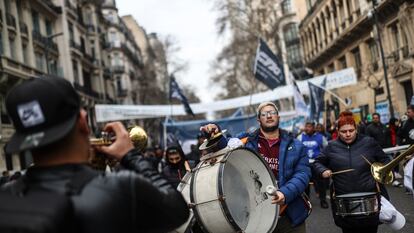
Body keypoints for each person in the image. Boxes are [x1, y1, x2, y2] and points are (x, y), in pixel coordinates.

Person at [0, 76, 189, 233]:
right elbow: (178, 210)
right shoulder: (120, 188)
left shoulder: (5, 198)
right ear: (83, 121)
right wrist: (131, 155)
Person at [201, 101, 311, 233]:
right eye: (264, 114)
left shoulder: (297, 146)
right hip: (256, 217)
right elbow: (224, 147)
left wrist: (284, 193)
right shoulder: (245, 141)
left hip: (289, 215)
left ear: (278, 117)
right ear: (258, 119)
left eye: (272, 113)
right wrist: (215, 132)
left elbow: (303, 174)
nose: (269, 116)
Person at [313, 111, 390, 233]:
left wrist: (382, 170)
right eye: (343, 132)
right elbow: (317, 163)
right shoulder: (331, 146)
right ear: (338, 131)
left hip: (369, 196)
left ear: (356, 129)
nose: (348, 134)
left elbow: (385, 160)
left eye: (351, 130)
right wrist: (323, 171)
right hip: (343, 200)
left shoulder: (368, 142)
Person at [297, 122, 329, 208]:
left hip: (317, 163)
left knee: (320, 183)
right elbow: (296, 150)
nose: (307, 128)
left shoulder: (320, 137)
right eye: (306, 126)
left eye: (309, 127)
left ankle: (323, 200)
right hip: (305, 164)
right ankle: (306, 202)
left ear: (313, 128)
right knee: (305, 184)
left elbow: (326, 148)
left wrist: (323, 160)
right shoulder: (300, 137)